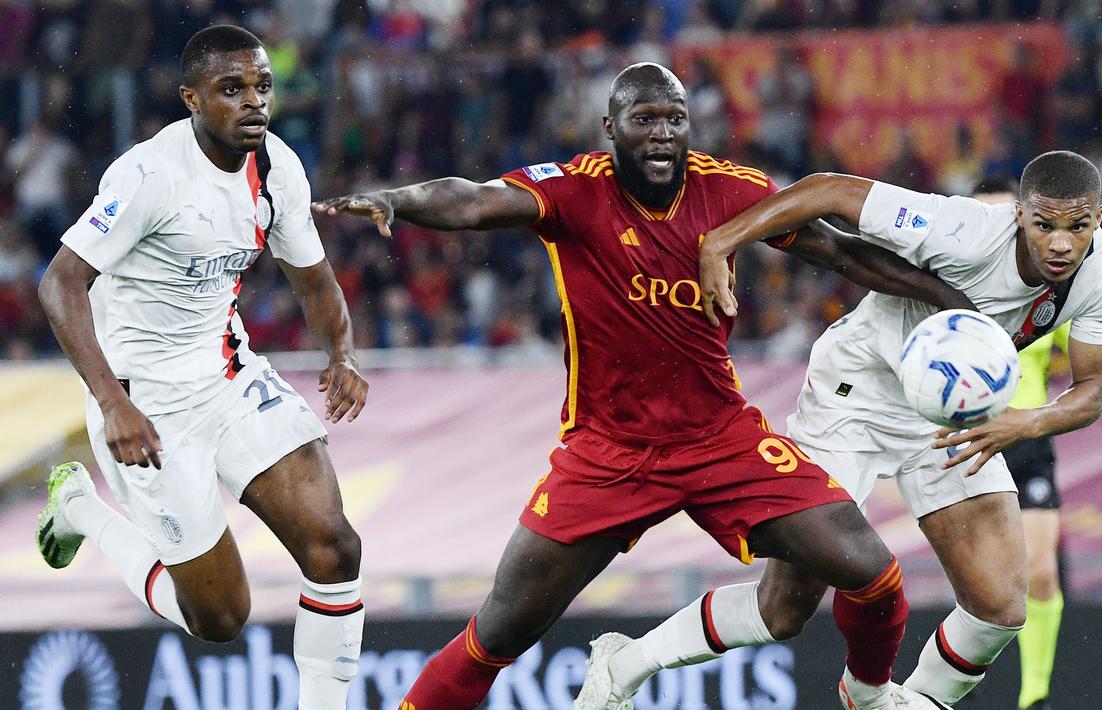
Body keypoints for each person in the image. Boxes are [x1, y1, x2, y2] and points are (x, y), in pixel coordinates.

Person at [315, 63, 976, 710]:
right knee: (498, 633)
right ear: (610, 128)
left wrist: (946, 297)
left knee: (873, 575)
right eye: (645, 119)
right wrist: (397, 200)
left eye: (675, 119)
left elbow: (836, 250)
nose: (662, 133)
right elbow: (474, 200)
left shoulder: (729, 190)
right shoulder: (575, 191)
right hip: (608, 454)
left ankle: (867, 697)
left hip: (720, 441)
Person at [581, 149, 1102, 706]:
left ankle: (885, 702)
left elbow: (1091, 392)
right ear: (1019, 214)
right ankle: (623, 665)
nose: (1061, 244)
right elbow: (829, 190)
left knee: (1001, 608)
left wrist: (1023, 423)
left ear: (1099, 219)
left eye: (1078, 227)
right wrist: (721, 241)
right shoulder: (963, 231)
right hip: (854, 398)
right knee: (783, 609)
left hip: (949, 418)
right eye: (1045, 225)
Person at [36, 26, 367, 710]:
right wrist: (112, 403)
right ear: (191, 98)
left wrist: (341, 355)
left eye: (263, 87)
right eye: (232, 89)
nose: (254, 102)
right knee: (219, 619)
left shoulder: (277, 168)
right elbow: (60, 283)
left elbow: (314, 281)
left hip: (229, 376)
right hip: (145, 406)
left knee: (333, 546)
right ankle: (80, 508)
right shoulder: (150, 176)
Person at [972, 177, 1069, 710]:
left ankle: (1035, 697)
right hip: (969, 444)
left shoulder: (1051, 287)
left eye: (1002, 216)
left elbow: (1081, 353)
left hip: (1028, 442)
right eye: (980, 216)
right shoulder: (947, 284)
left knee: (1041, 573)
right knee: (982, 586)